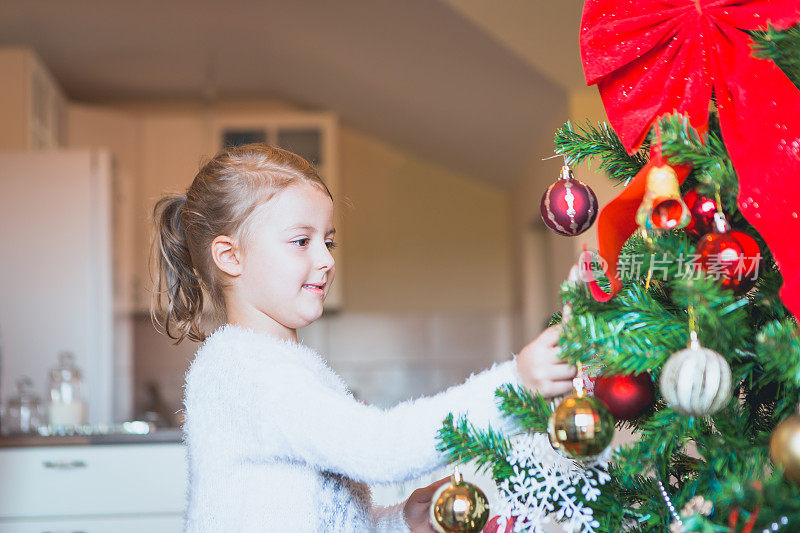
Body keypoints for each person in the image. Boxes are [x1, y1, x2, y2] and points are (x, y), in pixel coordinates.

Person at [150, 143, 576, 532]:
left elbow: (319, 516)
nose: (326, 259)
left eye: (328, 241)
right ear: (230, 256)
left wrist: (399, 523)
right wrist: (515, 386)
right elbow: (381, 450)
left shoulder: (281, 366)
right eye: (301, 241)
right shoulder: (246, 371)